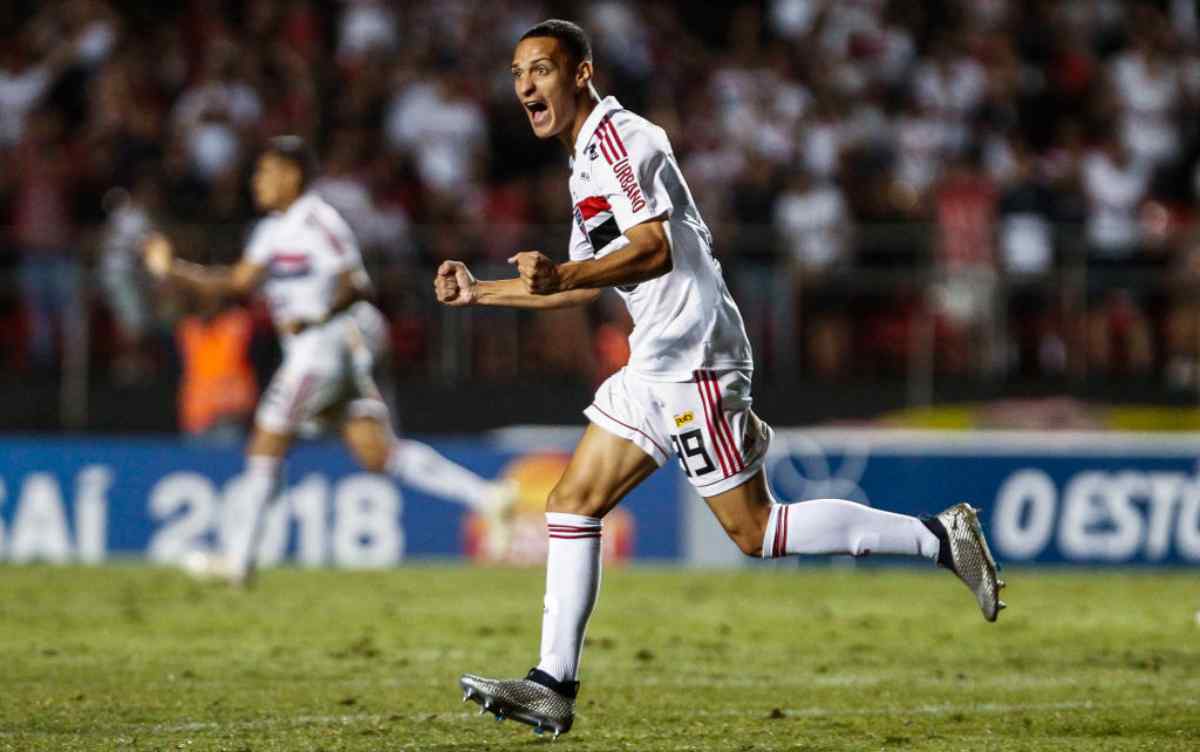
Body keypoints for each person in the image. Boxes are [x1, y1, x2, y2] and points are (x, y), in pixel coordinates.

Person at [435, 21, 1006, 738]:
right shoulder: (583, 163)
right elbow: (578, 285)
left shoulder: (624, 140)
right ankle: (552, 684)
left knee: (755, 530)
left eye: (541, 69)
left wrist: (570, 272)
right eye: (517, 72)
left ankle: (938, 536)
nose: (525, 85)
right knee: (573, 503)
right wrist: (481, 293)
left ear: (581, 73)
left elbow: (654, 250)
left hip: (694, 353)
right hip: (655, 356)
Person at [142, 135, 514, 585]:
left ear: (292, 175)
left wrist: (315, 316)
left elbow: (354, 282)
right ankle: (488, 497)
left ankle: (237, 562)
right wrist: (170, 269)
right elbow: (235, 283)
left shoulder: (319, 221)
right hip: (324, 352)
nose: (257, 181)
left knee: (266, 441)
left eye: (266, 172)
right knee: (378, 452)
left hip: (322, 348)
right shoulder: (270, 231)